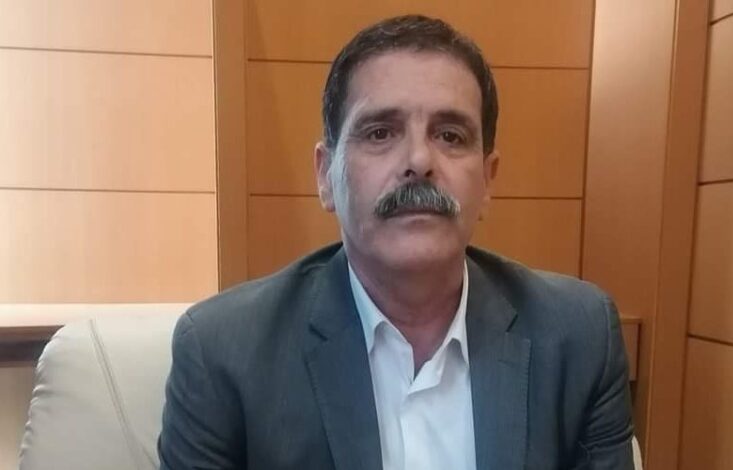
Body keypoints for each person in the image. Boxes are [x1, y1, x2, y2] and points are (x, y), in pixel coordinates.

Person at [158, 14, 634, 470]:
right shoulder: (223, 353)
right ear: (326, 176)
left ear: (487, 180)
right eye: (380, 132)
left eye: (450, 136)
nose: (419, 160)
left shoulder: (579, 337)